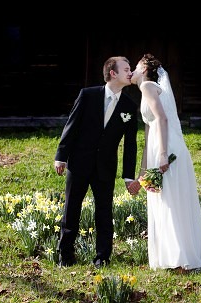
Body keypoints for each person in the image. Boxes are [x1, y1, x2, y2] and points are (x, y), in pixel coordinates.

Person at [129, 53, 201, 272]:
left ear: (145, 68)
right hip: (159, 145)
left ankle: (180, 258)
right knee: (167, 199)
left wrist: (164, 154)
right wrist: (142, 173)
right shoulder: (146, 89)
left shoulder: (147, 86)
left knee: (171, 201)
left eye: (135, 66)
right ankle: (175, 256)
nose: (132, 71)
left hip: (167, 147)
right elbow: (149, 132)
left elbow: (163, 118)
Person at [53, 56, 139, 267]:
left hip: (105, 167)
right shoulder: (88, 95)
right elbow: (71, 126)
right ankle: (65, 256)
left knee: (104, 212)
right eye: (126, 69)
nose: (130, 72)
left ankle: (102, 257)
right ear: (113, 73)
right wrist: (61, 156)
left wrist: (129, 176)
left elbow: (130, 144)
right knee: (71, 209)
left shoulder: (129, 105)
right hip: (79, 163)